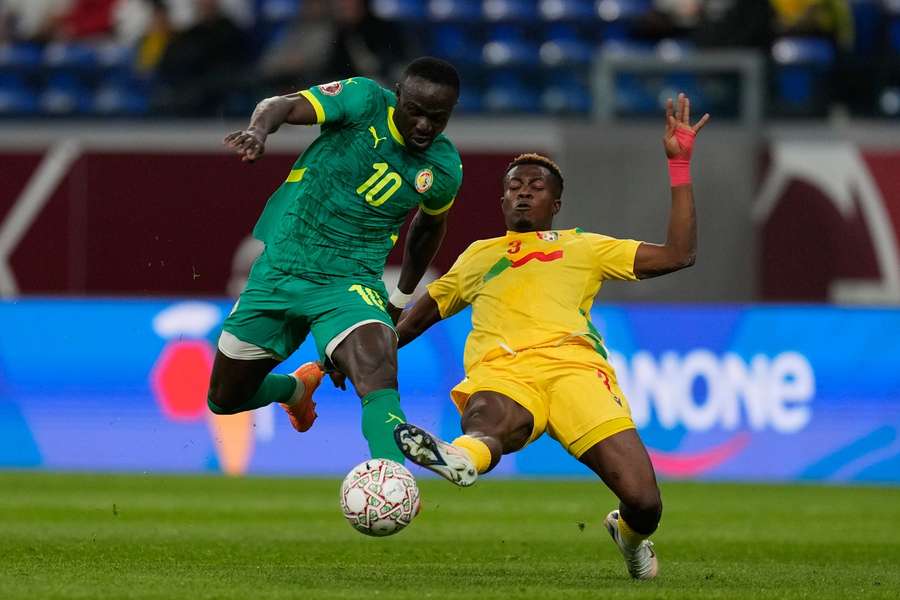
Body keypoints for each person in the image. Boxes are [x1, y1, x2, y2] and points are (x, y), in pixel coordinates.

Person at [392, 94, 708, 580]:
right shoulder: (478, 255)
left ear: (555, 203)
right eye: (514, 186)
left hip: (576, 372)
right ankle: (461, 456)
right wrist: (357, 358)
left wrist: (680, 165)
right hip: (504, 370)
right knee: (492, 422)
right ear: (501, 200)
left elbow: (679, 253)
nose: (523, 192)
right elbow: (415, 320)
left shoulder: (585, 247)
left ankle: (627, 535)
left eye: (536, 187)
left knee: (645, 502)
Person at [206, 57, 463, 467]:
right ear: (397, 94)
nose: (424, 126)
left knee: (377, 365)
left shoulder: (444, 167)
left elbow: (427, 231)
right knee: (225, 397)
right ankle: (294, 391)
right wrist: (258, 131)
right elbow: (283, 105)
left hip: (349, 279)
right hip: (282, 266)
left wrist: (398, 299)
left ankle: (390, 478)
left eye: (438, 118)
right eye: (416, 111)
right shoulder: (362, 100)